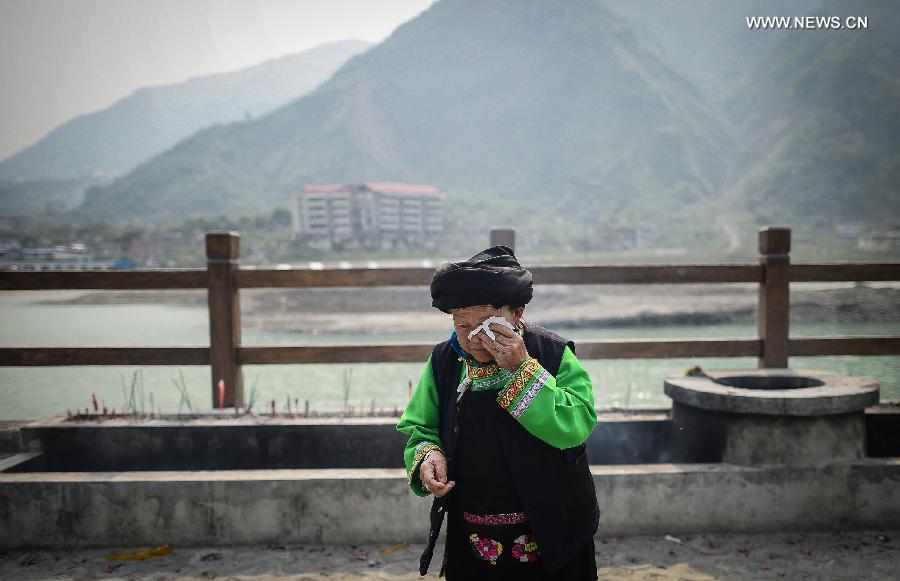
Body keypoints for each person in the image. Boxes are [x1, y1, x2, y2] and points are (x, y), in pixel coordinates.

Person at [397, 245, 599, 580]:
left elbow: (575, 425)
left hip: (553, 525)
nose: (475, 339)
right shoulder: (444, 362)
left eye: (488, 326)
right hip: (474, 531)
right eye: (463, 327)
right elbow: (421, 426)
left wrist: (522, 368)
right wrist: (428, 455)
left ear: (517, 313)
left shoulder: (553, 354)